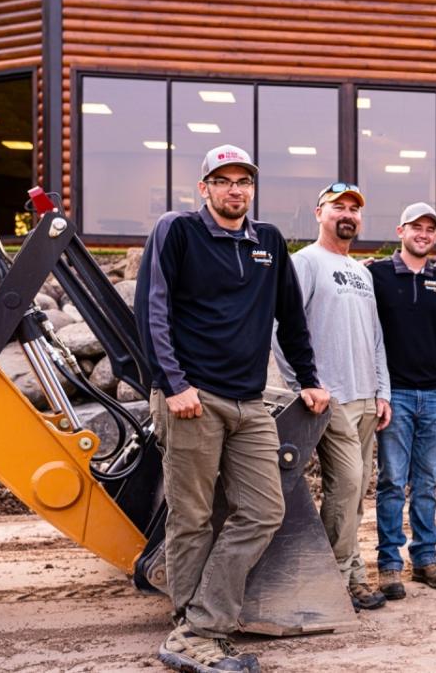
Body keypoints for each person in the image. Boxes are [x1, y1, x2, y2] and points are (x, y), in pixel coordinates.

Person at [137, 144, 330, 672]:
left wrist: (309, 380)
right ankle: (195, 630)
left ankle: (199, 624)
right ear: (204, 188)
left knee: (264, 510)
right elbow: (153, 309)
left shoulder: (267, 242)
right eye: (223, 181)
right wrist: (174, 384)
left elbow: (290, 318)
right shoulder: (178, 231)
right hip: (193, 399)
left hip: (249, 403)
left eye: (243, 180)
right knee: (192, 517)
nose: (234, 189)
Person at [274, 181, 392, 611]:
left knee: (355, 491)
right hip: (331, 398)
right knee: (347, 484)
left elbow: (375, 337)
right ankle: (337, 576)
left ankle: (351, 568)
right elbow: (281, 329)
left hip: (365, 397)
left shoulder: (362, 272)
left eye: (354, 209)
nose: (347, 214)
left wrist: (383, 390)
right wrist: (302, 384)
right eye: (337, 206)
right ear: (319, 214)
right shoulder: (304, 263)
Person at [368, 202, 436, 595]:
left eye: (430, 229)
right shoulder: (377, 274)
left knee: (426, 482)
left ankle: (425, 559)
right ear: (400, 230)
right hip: (395, 395)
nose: (423, 234)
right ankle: (389, 563)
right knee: (391, 481)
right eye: (416, 227)